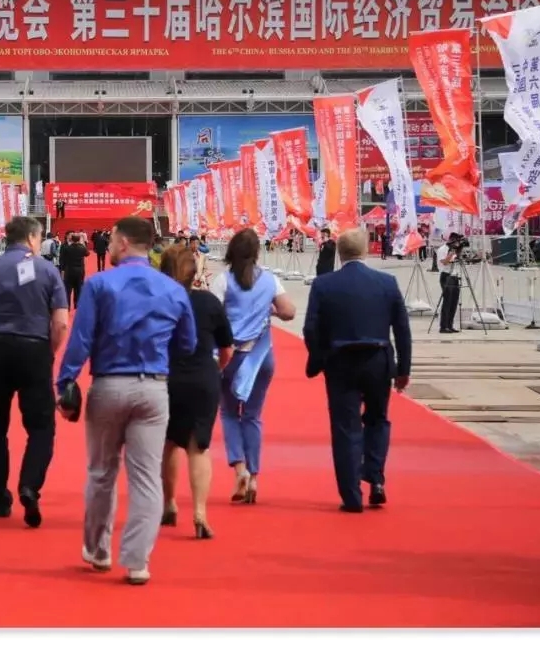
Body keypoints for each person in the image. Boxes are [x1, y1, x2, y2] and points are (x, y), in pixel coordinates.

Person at [57, 216, 197, 585]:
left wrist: (66, 381)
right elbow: (188, 344)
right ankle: (137, 561)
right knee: (147, 477)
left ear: (121, 242)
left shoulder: (100, 284)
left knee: (101, 472)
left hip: (109, 384)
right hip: (153, 387)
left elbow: (81, 339)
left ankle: (98, 549)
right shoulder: (173, 290)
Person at [0, 217, 69, 526]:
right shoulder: (48, 271)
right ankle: (29, 485)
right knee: (41, 426)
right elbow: (61, 323)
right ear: (33, 238)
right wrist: (49, 353)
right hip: (34, 348)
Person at [303, 228, 411, 513]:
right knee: (377, 420)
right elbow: (402, 329)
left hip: (340, 362)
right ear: (365, 250)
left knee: (345, 428)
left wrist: (319, 359)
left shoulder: (324, 285)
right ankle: (375, 478)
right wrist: (403, 369)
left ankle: (351, 496)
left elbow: (311, 328)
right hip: (378, 359)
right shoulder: (387, 283)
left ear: (339, 253)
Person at [210, 229, 296, 504]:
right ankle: (255, 475)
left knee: (228, 413)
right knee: (253, 415)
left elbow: (212, 317)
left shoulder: (222, 280)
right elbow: (289, 311)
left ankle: (240, 469)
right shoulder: (271, 280)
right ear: (257, 252)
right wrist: (270, 311)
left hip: (231, 356)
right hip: (261, 357)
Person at [158, 245, 233, 539]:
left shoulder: (158, 301)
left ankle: (169, 503)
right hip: (203, 376)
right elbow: (227, 348)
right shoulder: (208, 302)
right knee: (198, 446)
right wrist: (217, 369)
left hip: (165, 377)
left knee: (168, 443)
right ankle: (200, 511)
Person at [435, 233, 461, 333]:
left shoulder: (455, 249)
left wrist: (458, 251)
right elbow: (445, 262)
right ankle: (443, 326)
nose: (457, 243)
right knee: (447, 301)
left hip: (455, 276)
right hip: (446, 276)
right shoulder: (442, 249)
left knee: (454, 301)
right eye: (456, 241)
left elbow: (457, 260)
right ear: (451, 240)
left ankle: (450, 325)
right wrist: (451, 252)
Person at [60, 232, 90, 310]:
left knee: (68, 289)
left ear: (71, 239)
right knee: (79, 288)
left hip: (69, 270)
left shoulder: (67, 248)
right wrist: (82, 244)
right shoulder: (82, 248)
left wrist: (62, 269)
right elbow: (87, 253)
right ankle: (77, 304)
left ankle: (68, 305)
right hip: (80, 271)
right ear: (79, 239)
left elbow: (63, 258)